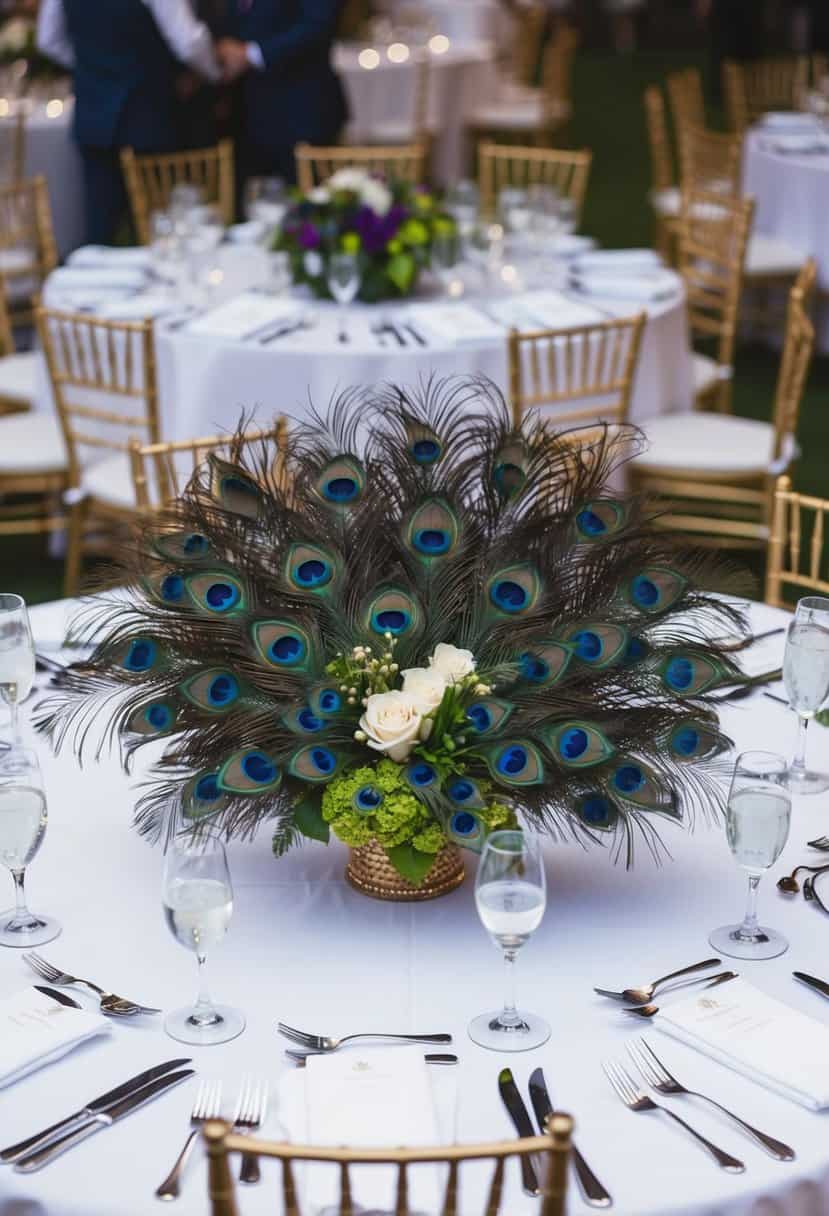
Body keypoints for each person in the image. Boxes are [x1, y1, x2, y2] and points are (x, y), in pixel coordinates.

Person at [37, 0, 221, 245]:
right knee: (159, 230)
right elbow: (188, 43)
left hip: (95, 114)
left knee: (100, 230)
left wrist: (93, 68)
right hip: (147, 114)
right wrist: (215, 72)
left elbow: (48, 40)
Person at [215, 0, 348, 186]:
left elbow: (318, 24)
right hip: (245, 113)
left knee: (307, 202)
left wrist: (252, 54)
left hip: (300, 110)